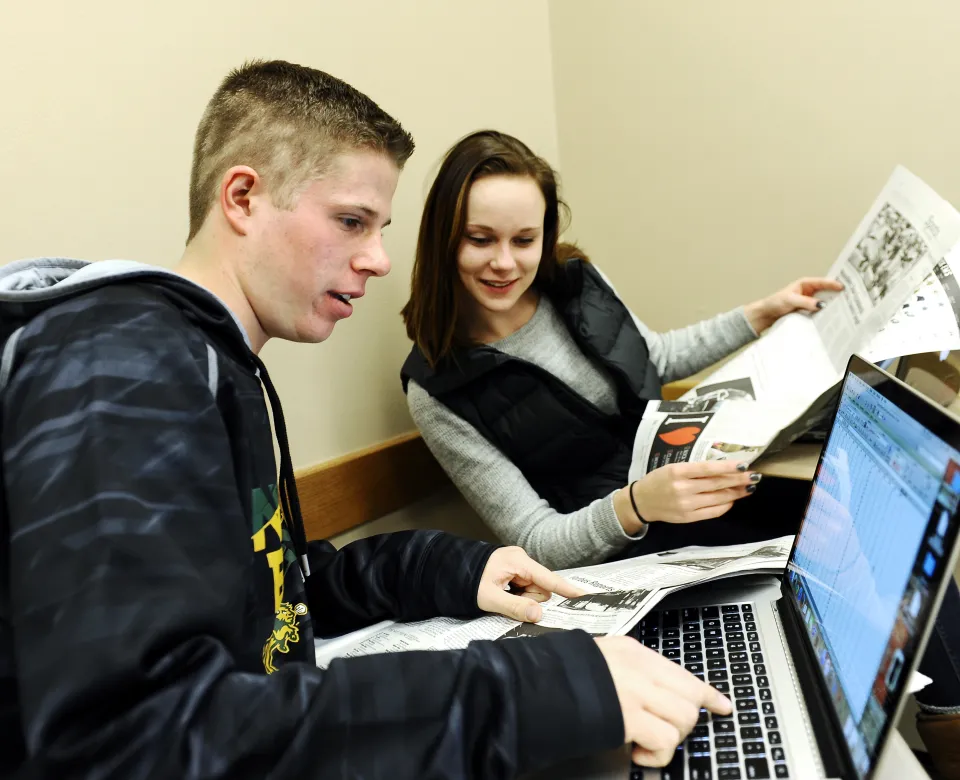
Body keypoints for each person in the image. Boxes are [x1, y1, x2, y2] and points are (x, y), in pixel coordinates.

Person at [0, 61, 733, 779]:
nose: (379, 260)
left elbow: (276, 594)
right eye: (351, 222)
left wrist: (450, 569)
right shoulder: (121, 367)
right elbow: (136, 737)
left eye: (379, 228)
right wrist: (541, 690)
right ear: (244, 198)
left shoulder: (209, 362)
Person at [401, 129, 841, 571]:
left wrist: (763, 314)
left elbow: (656, 358)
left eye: (524, 240)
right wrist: (636, 504)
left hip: (695, 496)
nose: (504, 263)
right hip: (626, 557)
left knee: (834, 521)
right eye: (480, 239)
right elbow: (536, 541)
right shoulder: (437, 389)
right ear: (443, 238)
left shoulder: (574, 280)